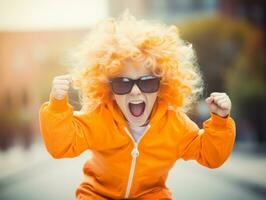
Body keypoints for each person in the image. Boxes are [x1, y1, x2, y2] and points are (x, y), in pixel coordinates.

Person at [39, 12, 236, 200]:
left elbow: (210, 155)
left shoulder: (175, 125)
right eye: (122, 83)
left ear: (163, 86)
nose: (135, 92)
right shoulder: (98, 117)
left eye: (147, 82)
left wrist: (220, 122)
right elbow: (61, 146)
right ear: (109, 90)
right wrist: (57, 106)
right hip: (98, 194)